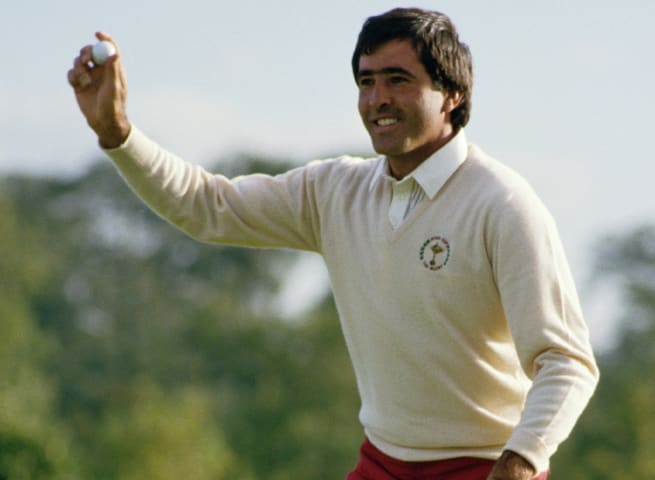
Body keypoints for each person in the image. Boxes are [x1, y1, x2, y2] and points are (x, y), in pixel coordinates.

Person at [67, 7, 598, 480]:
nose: (378, 99)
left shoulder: (504, 204)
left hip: (484, 467)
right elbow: (209, 206)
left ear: (452, 95)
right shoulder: (336, 189)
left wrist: (521, 461)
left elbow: (567, 363)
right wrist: (117, 133)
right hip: (383, 463)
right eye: (366, 82)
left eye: (398, 80)